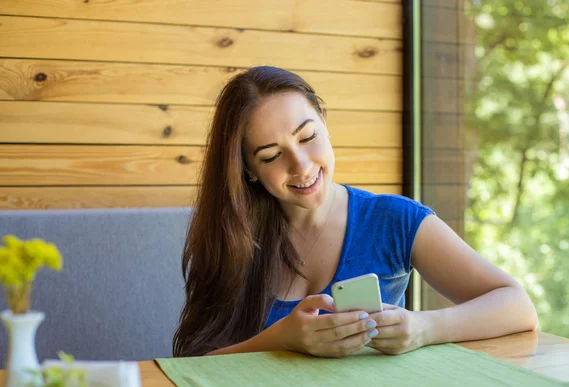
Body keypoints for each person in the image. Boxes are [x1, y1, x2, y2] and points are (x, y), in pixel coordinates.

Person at [172, 66, 538, 358]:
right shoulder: (232, 237)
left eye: (308, 136)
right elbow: (191, 366)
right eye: (271, 155)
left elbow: (517, 307)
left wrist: (424, 327)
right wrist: (280, 339)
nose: (300, 165)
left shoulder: (394, 220)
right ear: (248, 169)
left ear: (326, 125)